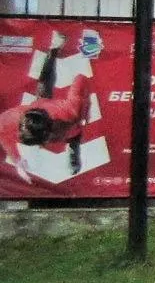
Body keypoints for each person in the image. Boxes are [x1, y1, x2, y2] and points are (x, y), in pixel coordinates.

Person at [0, 32, 93, 183]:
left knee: (75, 133)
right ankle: (53, 50)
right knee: (43, 85)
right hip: (41, 106)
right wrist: (17, 161)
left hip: (65, 118)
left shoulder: (70, 112)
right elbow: (3, 135)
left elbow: (81, 78)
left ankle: (74, 151)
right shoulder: (13, 119)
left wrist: (86, 111)